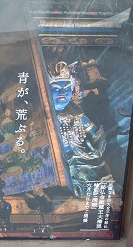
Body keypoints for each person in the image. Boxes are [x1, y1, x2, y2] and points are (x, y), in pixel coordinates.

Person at [48, 61, 113, 196]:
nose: (62, 92)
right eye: (56, 88)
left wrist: (95, 150)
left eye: (67, 88)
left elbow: (95, 135)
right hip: (55, 164)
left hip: (82, 159)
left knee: (98, 173)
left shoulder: (76, 114)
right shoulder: (42, 117)